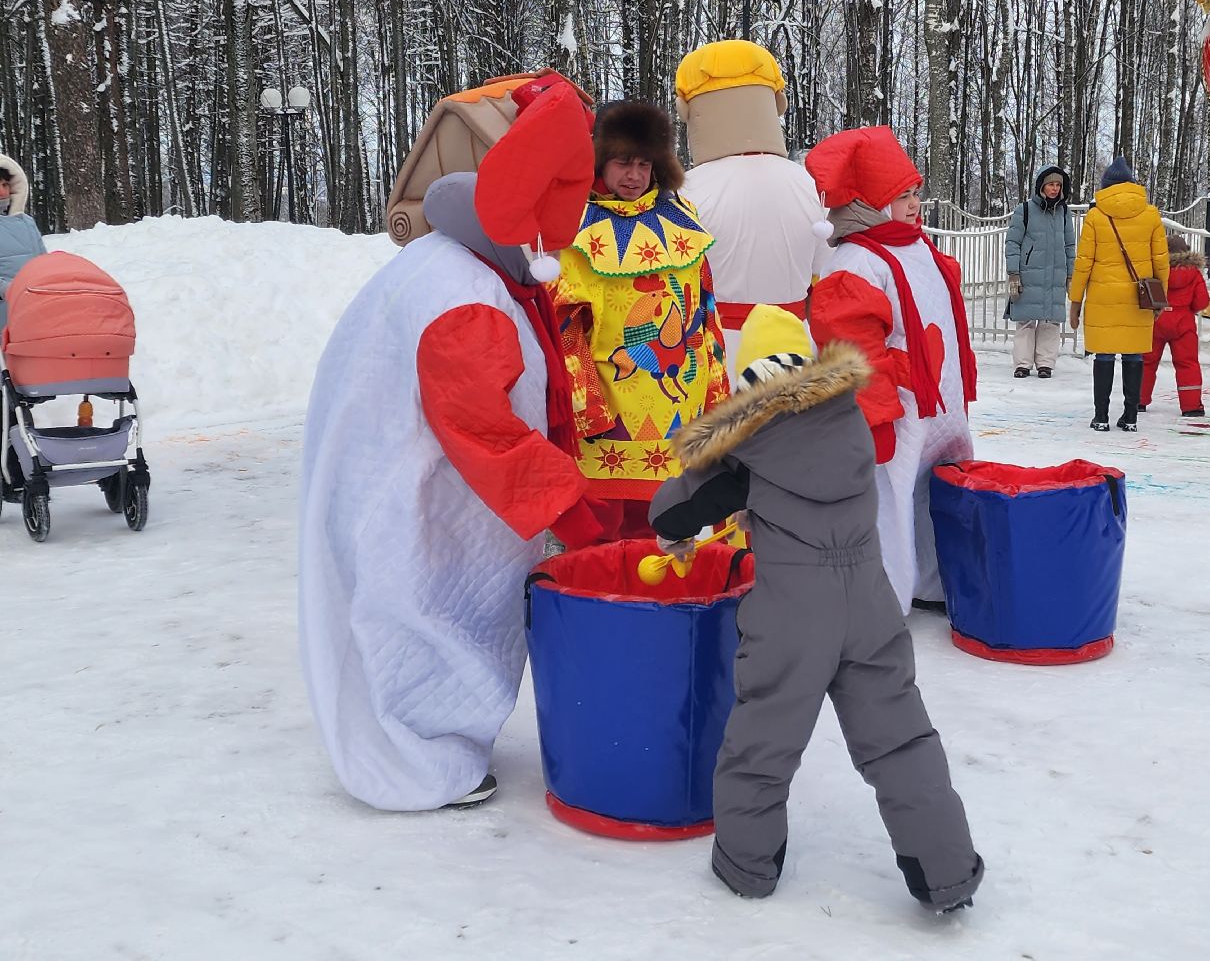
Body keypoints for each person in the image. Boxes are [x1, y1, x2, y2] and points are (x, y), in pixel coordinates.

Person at [298, 82, 616, 812]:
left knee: (425, 606)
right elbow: (480, 425)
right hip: (418, 497)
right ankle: (419, 760)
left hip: (414, 486)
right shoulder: (465, 292)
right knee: (424, 610)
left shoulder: (455, 268)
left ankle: (433, 741)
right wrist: (566, 502)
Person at [649, 305, 985, 914]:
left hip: (791, 616)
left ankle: (746, 865)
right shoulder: (848, 418)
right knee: (901, 740)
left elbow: (672, 512)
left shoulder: (748, 448)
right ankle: (946, 872)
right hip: (870, 604)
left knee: (763, 742)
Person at [806, 126, 978, 615]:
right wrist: (872, 414)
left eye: (915, 192)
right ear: (868, 201)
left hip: (937, 405)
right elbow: (851, 346)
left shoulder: (916, 247)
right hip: (898, 411)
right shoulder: (858, 262)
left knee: (936, 492)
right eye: (900, 195)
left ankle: (932, 580)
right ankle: (882, 598)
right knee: (891, 498)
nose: (914, 203)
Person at [551, 100, 729, 540]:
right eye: (622, 162)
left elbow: (704, 309)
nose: (633, 175)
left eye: (643, 163)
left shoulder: (681, 217)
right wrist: (587, 409)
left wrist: (717, 392)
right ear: (601, 162)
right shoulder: (574, 228)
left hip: (678, 405)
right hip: (609, 411)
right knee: (603, 530)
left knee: (668, 525)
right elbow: (566, 329)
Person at [675, 40, 830, 374]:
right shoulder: (808, 183)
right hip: (795, 345)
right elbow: (823, 268)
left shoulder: (685, 190)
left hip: (717, 352)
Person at [1067, 156, 1169, 432]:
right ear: (1132, 185)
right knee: (1134, 357)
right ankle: (1131, 417)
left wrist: (1075, 301)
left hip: (1103, 299)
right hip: (1138, 299)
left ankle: (1101, 417)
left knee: (1104, 356)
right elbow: (1161, 260)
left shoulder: (1096, 217)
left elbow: (1084, 262)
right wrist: (1162, 296)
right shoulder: (1150, 215)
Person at [1006, 166, 1074, 378]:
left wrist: (1071, 275)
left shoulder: (1064, 213)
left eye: (1058, 185)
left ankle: (1045, 363)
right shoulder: (1024, 210)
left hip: (1055, 275)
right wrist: (1014, 273)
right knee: (1026, 320)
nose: (1054, 189)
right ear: (1041, 186)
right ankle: (1022, 364)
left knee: (1050, 320)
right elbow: (1013, 243)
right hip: (1029, 274)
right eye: (1050, 184)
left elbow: (1069, 245)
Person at [1141, 234, 1209, 417]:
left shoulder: (1156, 270)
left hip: (1157, 320)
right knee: (1188, 363)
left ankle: (1139, 400)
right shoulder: (1194, 274)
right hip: (1183, 324)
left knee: (1146, 362)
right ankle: (1191, 406)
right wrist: (1189, 309)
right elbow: (1202, 301)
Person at [0, 155, 48, 335]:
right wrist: (6, 289)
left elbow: (42, 261)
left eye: (5, 185)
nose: (2, 191)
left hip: (30, 307)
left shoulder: (26, 222)